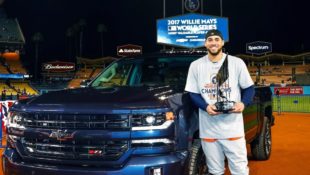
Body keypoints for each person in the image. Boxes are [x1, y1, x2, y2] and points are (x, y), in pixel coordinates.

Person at [185, 29, 255, 175]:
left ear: (222, 42)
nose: (213, 43)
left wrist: (242, 104)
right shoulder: (196, 65)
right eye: (210, 40)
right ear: (205, 44)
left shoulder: (236, 63)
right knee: (215, 171)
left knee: (240, 170)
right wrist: (205, 107)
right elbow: (193, 93)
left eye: (217, 39)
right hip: (209, 130)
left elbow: (249, 88)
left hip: (232, 128)